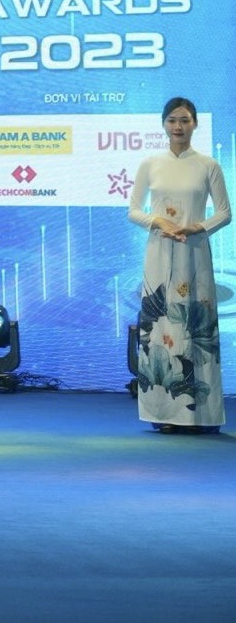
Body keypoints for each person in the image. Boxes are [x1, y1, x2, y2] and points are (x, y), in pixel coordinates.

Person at [128, 96, 229, 433]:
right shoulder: (150, 164)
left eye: (185, 120)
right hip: (159, 251)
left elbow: (224, 213)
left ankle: (198, 415)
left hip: (195, 251)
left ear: (195, 124)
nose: (178, 127)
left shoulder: (208, 165)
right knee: (159, 324)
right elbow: (133, 210)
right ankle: (163, 414)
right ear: (164, 124)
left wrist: (197, 227)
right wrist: (157, 221)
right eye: (172, 120)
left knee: (195, 325)